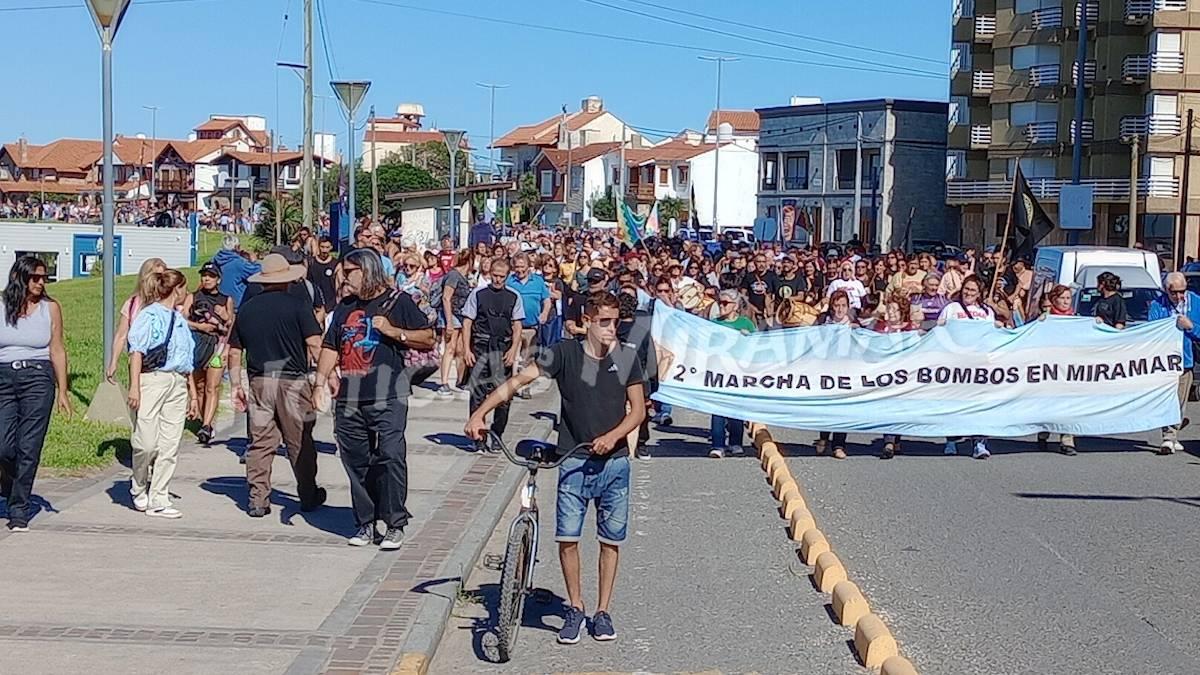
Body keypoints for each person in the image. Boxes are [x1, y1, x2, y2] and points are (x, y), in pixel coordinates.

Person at [465, 291, 645, 644]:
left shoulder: (627, 357)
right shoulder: (564, 353)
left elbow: (637, 410)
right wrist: (479, 412)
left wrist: (613, 436)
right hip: (573, 460)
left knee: (610, 541)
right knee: (568, 539)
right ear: (587, 324)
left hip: (615, 463)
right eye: (604, 322)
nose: (612, 329)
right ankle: (575, 607)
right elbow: (519, 381)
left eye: (615, 322)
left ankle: (603, 610)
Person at [315, 249, 435, 548]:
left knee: (391, 454)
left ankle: (395, 522)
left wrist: (394, 331)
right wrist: (319, 382)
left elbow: (428, 337)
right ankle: (365, 522)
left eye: (349, 271)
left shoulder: (398, 301)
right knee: (355, 459)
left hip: (388, 393)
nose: (343, 277)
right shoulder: (345, 306)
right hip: (350, 396)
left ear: (367, 271)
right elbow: (331, 345)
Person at [228, 254, 327, 518]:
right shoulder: (298, 306)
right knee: (299, 441)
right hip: (292, 382)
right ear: (288, 280)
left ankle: (258, 499)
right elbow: (315, 344)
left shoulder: (246, 309)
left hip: (259, 382)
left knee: (260, 443)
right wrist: (325, 377)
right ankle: (308, 494)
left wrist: (236, 384)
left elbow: (234, 351)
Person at [0, 256, 70, 531]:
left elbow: (58, 349)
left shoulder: (50, 308)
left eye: (45, 278)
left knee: (28, 447)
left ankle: (19, 509)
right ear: (21, 278)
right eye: (36, 278)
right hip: (4, 376)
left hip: (38, 377)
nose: (41, 283)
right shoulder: (2, 305)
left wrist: (62, 390)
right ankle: (8, 482)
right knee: (4, 446)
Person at [127, 269, 197, 519]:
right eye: (185, 288)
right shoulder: (149, 315)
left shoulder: (180, 319)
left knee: (170, 443)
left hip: (177, 382)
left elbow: (186, 359)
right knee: (146, 442)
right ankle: (138, 483)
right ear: (177, 289)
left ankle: (159, 496)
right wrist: (134, 385)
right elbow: (136, 351)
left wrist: (193, 394)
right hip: (152, 380)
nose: (187, 293)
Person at [462, 257, 524, 453]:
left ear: (507, 276)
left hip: (502, 348)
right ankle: (478, 435)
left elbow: (517, 325)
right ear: (490, 275)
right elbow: (467, 322)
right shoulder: (478, 294)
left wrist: (514, 349)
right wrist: (467, 349)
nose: (497, 280)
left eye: (502, 277)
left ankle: (497, 434)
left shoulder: (514, 296)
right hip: (481, 345)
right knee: (477, 393)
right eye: (495, 276)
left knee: (503, 395)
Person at [937, 275, 999, 459]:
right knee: (955, 403)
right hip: (956, 364)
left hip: (979, 364)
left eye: (973, 290)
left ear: (979, 293)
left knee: (979, 404)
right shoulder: (951, 309)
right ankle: (951, 440)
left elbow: (992, 337)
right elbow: (939, 332)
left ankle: (979, 442)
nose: (968, 293)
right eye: (966, 288)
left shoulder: (987, 312)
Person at [1148, 272, 1200, 455]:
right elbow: (1151, 330)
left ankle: (1173, 433)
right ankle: (1168, 437)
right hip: (1163, 362)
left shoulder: (1196, 303)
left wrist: (1191, 326)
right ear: (1166, 291)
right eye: (1174, 293)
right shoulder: (1157, 305)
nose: (1178, 296)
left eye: (1182, 292)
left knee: (1180, 402)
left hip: (1185, 361)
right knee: (1167, 400)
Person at [184, 262, 233, 445]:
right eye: (204, 275)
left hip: (218, 348)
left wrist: (226, 316)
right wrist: (200, 326)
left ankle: (206, 425)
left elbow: (230, 327)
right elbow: (182, 320)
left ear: (218, 279)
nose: (206, 278)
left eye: (211, 276)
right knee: (200, 386)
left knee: (213, 386)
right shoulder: (193, 297)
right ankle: (204, 420)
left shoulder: (225, 299)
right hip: (197, 345)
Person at [1034, 284, 1079, 456]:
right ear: (1054, 300)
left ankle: (1067, 440)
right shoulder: (1046, 319)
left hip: (1069, 368)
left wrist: (1095, 324)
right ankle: (1044, 433)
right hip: (1049, 368)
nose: (1066, 301)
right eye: (1062, 298)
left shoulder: (1075, 319)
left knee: (1068, 404)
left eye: (1068, 298)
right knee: (1050, 403)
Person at [709, 290, 755, 459]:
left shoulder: (746, 324)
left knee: (736, 408)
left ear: (735, 306)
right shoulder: (714, 324)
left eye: (725, 303)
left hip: (738, 372)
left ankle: (736, 442)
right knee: (717, 409)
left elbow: (757, 346)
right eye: (720, 302)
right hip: (719, 371)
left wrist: (748, 338)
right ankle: (718, 444)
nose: (721, 306)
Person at [106, 257, 166, 383]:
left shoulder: (168, 304)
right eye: (156, 276)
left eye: (163, 276)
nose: (159, 281)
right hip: (139, 362)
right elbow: (121, 335)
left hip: (164, 364)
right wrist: (113, 362)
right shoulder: (132, 303)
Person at [815, 290, 856, 460]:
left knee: (842, 409)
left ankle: (839, 445)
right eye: (836, 305)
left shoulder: (854, 324)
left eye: (843, 306)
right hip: (826, 369)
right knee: (826, 407)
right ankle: (824, 438)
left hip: (846, 371)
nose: (840, 310)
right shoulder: (823, 321)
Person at [507, 253, 551, 398]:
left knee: (528, 359)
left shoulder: (538, 281)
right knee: (513, 357)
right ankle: (512, 387)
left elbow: (547, 300)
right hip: (513, 326)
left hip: (531, 327)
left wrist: (544, 313)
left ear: (528, 266)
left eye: (522, 266)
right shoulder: (509, 281)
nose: (519, 270)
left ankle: (525, 386)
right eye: (517, 267)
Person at [436, 250, 474, 397]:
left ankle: (461, 380)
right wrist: (449, 323)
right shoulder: (453, 275)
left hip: (460, 315)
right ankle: (444, 383)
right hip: (451, 316)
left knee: (461, 349)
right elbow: (446, 298)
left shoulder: (464, 277)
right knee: (450, 348)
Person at [212, 234, 261, 309]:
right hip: (237, 305)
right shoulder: (238, 263)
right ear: (236, 247)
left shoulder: (215, 259)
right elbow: (257, 272)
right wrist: (254, 261)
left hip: (218, 302)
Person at [307, 237, 339, 317]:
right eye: (322, 247)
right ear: (318, 247)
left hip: (331, 306)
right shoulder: (311, 262)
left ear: (331, 247)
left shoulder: (336, 264)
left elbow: (338, 287)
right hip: (314, 305)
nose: (324, 250)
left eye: (327, 247)